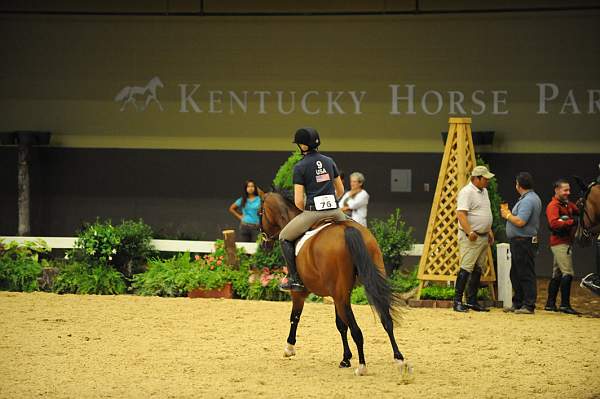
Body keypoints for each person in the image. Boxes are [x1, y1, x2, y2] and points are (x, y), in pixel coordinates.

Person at [278, 127, 347, 291]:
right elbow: (341, 191)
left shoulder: (300, 167)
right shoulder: (329, 161)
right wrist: (332, 203)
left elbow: (298, 201)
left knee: (284, 237)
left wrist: (308, 210)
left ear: (303, 146)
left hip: (314, 212)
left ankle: (295, 279)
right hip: (336, 211)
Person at [453, 165, 495, 313]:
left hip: (482, 236)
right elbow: (461, 214)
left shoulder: (484, 192)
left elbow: (484, 212)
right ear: (476, 178)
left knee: (478, 269)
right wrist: (469, 231)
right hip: (472, 237)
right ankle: (457, 301)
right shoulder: (467, 192)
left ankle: (471, 300)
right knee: (466, 268)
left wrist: (489, 230)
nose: (487, 181)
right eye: (485, 179)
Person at [501, 172, 542, 314]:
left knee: (525, 273)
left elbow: (520, 221)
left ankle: (528, 305)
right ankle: (518, 302)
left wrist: (507, 215)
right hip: (521, 241)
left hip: (523, 241)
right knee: (516, 273)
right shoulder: (529, 198)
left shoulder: (528, 201)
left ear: (518, 185)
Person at [544, 179, 580, 314]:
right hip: (560, 242)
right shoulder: (553, 206)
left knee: (557, 273)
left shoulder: (567, 204)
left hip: (565, 241)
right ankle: (565, 305)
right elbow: (554, 224)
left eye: (569, 190)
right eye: (565, 190)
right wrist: (571, 222)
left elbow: (578, 210)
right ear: (557, 190)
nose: (568, 193)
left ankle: (550, 304)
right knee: (568, 272)